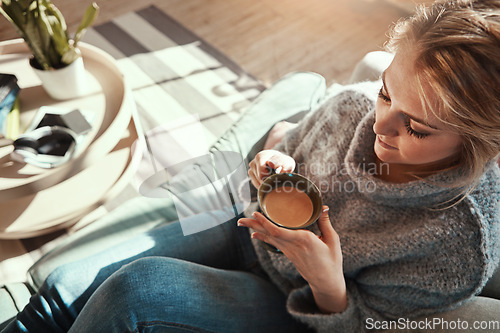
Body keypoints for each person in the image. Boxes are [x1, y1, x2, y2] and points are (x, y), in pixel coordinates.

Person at [3, 0, 499, 332]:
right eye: (387, 92)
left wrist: (327, 283)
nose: (379, 127)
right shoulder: (356, 106)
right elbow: (292, 139)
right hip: (250, 226)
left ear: (480, 144)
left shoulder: (457, 246)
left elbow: (371, 326)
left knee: (136, 291)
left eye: (416, 129)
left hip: (293, 300)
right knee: (62, 287)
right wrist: (274, 153)